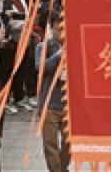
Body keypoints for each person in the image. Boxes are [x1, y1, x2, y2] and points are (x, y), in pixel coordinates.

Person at [37, 16, 67, 172]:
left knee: (68, 143)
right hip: (50, 103)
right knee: (50, 144)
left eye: (64, 28)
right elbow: (40, 67)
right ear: (51, 29)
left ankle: (64, 168)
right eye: (58, 29)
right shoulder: (43, 47)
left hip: (69, 104)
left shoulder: (74, 45)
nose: (61, 33)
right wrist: (57, 56)